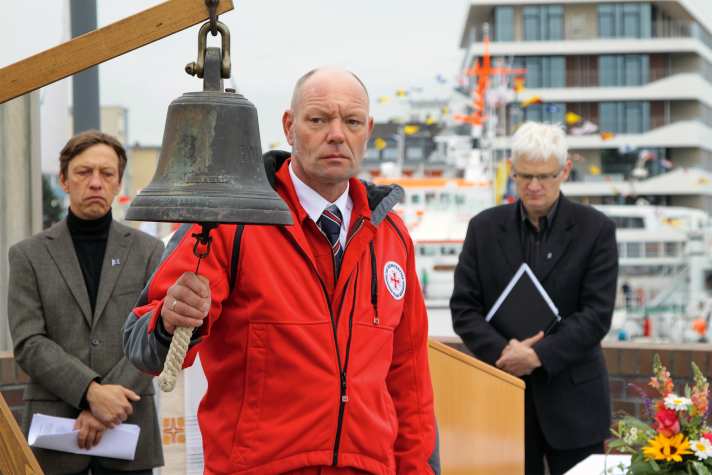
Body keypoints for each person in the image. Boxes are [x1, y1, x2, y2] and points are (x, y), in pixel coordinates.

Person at [123, 68, 439, 474]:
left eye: (352, 121)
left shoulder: (391, 235)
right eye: (319, 119)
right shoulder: (228, 224)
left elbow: (409, 382)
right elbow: (140, 344)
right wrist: (169, 320)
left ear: (368, 130)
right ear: (289, 126)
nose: (337, 134)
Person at [450, 121, 618, 475]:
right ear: (512, 171)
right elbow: (464, 309)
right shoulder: (483, 227)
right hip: (503, 397)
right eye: (524, 176)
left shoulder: (597, 229)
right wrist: (506, 354)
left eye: (545, 176)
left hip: (577, 405)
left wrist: (537, 356)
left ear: (565, 170)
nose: (534, 186)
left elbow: (596, 315)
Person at [8, 131, 165, 474]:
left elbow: (155, 335)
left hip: (129, 432)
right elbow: (29, 342)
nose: (95, 183)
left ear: (118, 183)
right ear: (64, 180)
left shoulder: (149, 252)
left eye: (107, 174)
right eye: (83, 172)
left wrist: (107, 404)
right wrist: (91, 392)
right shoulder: (28, 255)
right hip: (55, 438)